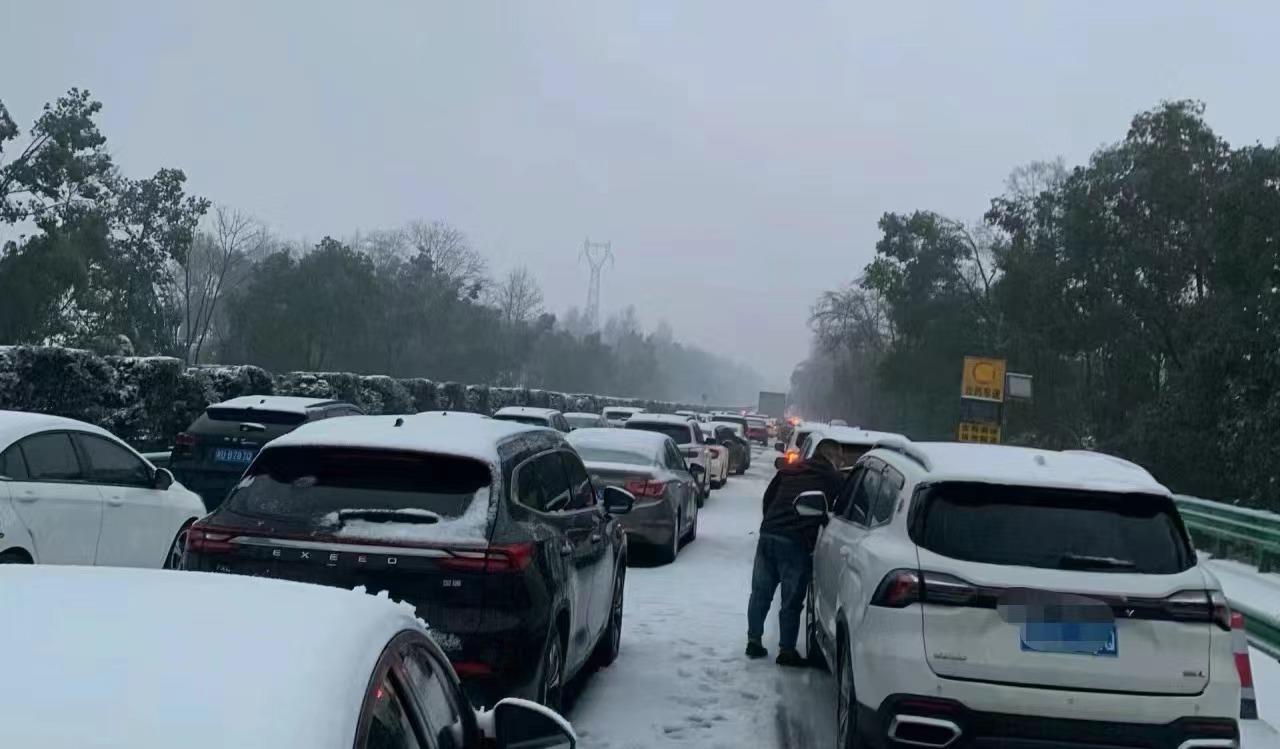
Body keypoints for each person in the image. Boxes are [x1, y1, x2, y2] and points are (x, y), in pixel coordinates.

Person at [746, 440, 846, 666]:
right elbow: (841, 510)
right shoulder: (833, 478)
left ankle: (753, 640)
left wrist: (771, 523)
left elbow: (768, 498)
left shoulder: (791, 469)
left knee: (760, 593)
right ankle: (787, 650)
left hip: (769, 534)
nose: (841, 463)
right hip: (796, 541)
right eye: (840, 458)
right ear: (832, 457)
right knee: (791, 599)